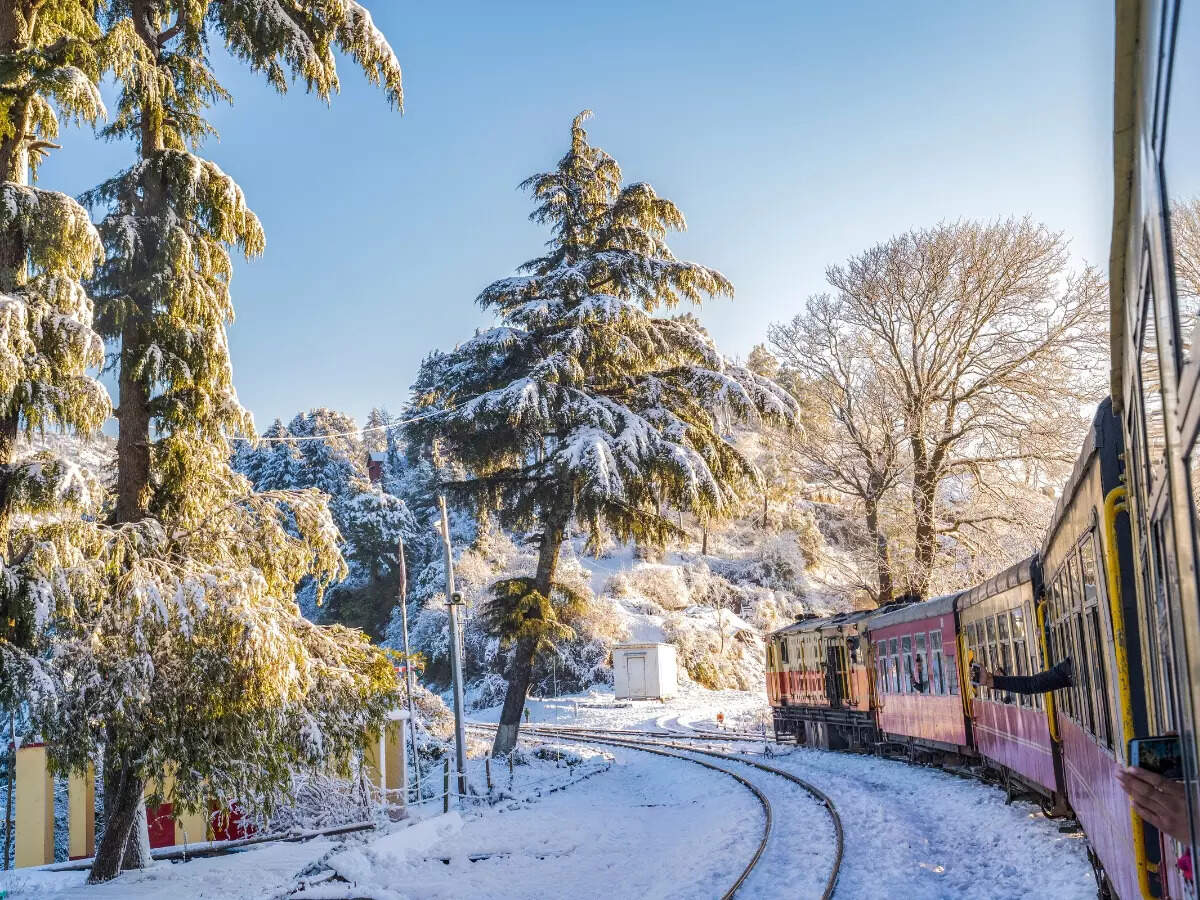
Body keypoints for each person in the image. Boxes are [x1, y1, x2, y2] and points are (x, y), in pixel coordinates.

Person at [973, 657, 1074, 694]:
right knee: (1030, 685)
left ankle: (1063, 675)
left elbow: (988, 679)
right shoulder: (990, 681)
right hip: (998, 682)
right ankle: (1063, 676)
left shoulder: (990, 680)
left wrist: (984, 675)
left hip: (998, 682)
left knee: (1030, 685)